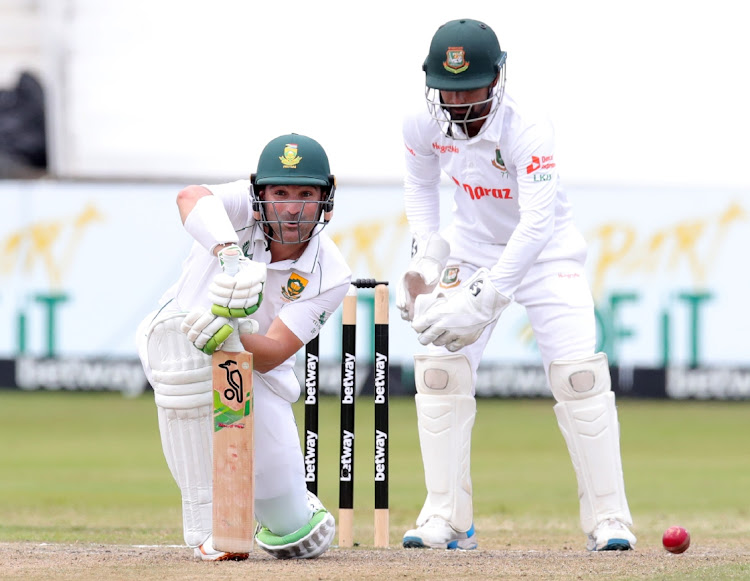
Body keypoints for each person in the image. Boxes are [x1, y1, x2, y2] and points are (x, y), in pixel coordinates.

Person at [396, 18, 636, 552]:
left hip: (547, 251)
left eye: (472, 89)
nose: (459, 105)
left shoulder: (527, 126)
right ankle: (447, 517)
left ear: (498, 79)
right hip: (471, 247)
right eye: (448, 91)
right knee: (438, 369)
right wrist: (427, 257)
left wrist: (485, 298)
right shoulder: (420, 121)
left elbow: (537, 222)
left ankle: (609, 518)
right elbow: (420, 186)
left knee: (579, 377)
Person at [136, 133, 351, 561]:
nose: (292, 207)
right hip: (178, 336)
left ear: (326, 198)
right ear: (261, 194)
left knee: (296, 535)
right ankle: (207, 525)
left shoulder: (332, 274)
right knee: (186, 355)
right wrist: (228, 250)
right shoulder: (238, 205)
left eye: (306, 193)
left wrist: (231, 335)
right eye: (281, 192)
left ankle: (289, 505)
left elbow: (274, 351)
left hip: (253, 368)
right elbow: (188, 196)